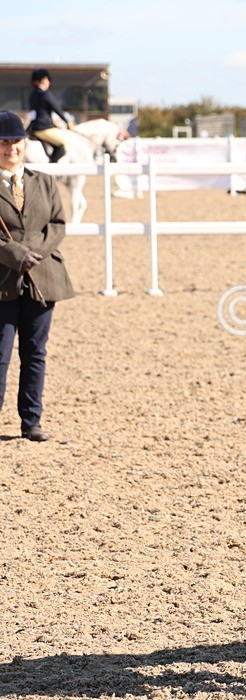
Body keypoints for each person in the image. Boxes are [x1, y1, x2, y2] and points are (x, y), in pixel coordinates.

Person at [0, 110, 76, 441]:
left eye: (16, 141)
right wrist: (15, 253)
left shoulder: (44, 182)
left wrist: (36, 253)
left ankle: (31, 420)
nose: (10, 148)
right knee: (0, 354)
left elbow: (57, 224)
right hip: (2, 282)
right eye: (3, 142)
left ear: (25, 144)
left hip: (42, 278)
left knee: (35, 352)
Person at [28, 69, 73, 164]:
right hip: (44, 128)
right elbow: (57, 109)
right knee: (63, 144)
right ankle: (52, 165)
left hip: (34, 128)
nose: (49, 82)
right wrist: (68, 121)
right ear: (44, 79)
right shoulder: (45, 94)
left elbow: (33, 114)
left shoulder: (32, 94)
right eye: (48, 79)